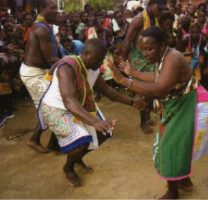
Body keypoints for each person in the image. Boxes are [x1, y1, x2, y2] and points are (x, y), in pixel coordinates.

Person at [109, 27, 208, 199]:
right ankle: (184, 181)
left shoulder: (173, 58)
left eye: (149, 49)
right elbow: (159, 77)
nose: (145, 53)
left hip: (193, 105)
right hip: (180, 104)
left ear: (163, 45)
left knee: (170, 147)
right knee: (176, 143)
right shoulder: (163, 56)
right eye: (142, 49)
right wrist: (132, 73)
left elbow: (160, 89)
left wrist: (124, 81)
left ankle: (173, 193)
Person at [38, 39, 144, 187]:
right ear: (87, 54)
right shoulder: (67, 67)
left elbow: (108, 91)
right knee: (83, 140)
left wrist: (132, 103)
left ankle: (76, 158)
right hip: (56, 108)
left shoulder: (93, 69)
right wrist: (95, 122)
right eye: (99, 59)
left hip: (78, 105)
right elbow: (68, 100)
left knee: (104, 133)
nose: (101, 64)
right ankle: (68, 168)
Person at [121, 0, 167, 134]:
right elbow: (128, 40)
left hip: (151, 58)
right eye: (159, 7)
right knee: (143, 92)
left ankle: (146, 118)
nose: (161, 11)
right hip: (139, 59)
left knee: (152, 90)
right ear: (151, 4)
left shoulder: (155, 18)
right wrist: (123, 60)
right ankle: (143, 122)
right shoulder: (139, 19)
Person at [19, 0, 59, 153]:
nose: (57, 11)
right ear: (43, 9)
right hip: (33, 74)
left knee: (51, 105)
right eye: (53, 8)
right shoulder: (41, 29)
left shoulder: (43, 26)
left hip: (40, 72)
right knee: (51, 106)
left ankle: (51, 143)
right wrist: (75, 61)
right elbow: (51, 59)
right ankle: (34, 140)